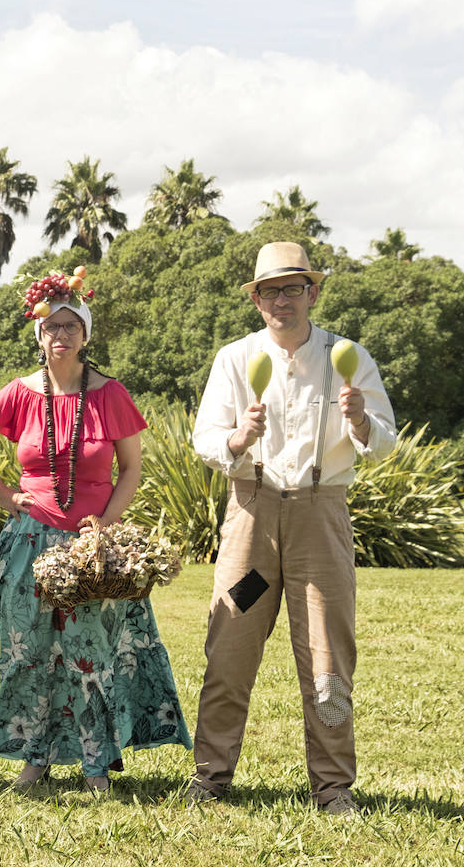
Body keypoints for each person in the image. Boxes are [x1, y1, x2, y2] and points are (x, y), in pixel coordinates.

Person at [0, 270, 191, 793]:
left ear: (85, 334)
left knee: (91, 653)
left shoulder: (109, 394)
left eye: (70, 326)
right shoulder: (18, 393)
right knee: (28, 651)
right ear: (38, 335)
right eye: (50, 327)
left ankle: (95, 765)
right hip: (31, 541)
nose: (60, 336)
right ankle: (34, 760)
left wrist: (104, 527)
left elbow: (130, 470)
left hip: (92, 548)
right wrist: (5, 496)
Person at [187, 241, 397, 816]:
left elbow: (385, 439)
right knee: (231, 641)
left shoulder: (347, 356)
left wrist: (359, 421)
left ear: (314, 291)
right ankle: (211, 776)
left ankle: (333, 789)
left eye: (294, 287)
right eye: (271, 290)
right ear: (255, 299)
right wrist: (236, 439)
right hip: (252, 521)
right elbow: (206, 437)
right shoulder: (235, 359)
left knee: (328, 652)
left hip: (319, 519)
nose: (283, 299)